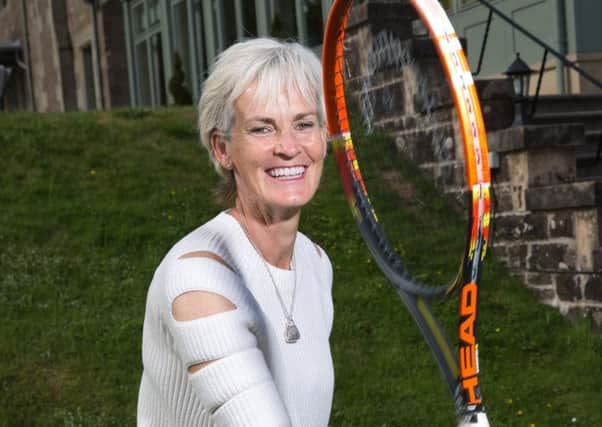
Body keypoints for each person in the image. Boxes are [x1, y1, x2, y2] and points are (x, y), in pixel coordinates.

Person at [137, 38, 334, 426]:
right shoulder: (198, 278)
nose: (289, 147)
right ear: (222, 149)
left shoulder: (315, 264)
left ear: (324, 136)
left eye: (304, 124)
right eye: (263, 129)